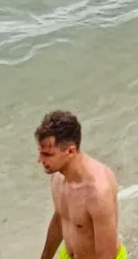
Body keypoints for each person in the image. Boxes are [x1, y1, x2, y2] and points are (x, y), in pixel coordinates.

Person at [33, 110, 122, 259]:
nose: (40, 160)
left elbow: (107, 255)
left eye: (47, 154)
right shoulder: (57, 176)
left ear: (70, 151)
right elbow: (60, 218)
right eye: (40, 152)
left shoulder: (97, 192)